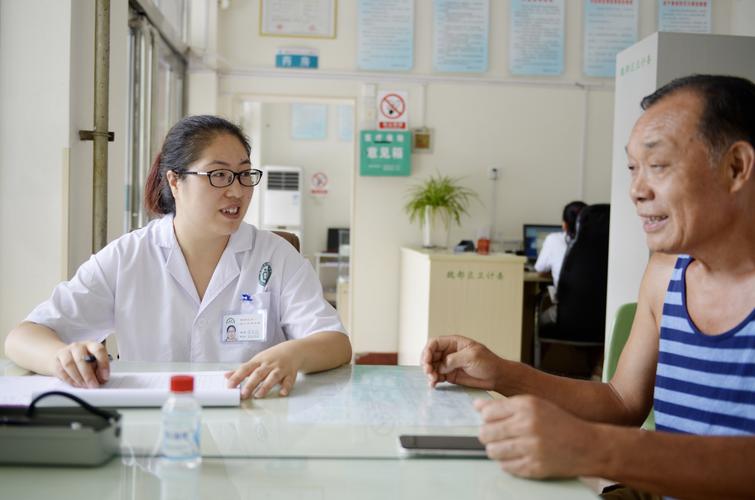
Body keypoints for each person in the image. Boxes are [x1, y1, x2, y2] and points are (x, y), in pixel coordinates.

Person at [421, 74, 755, 499]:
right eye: (633, 169)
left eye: (658, 165)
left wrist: (594, 448)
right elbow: (621, 402)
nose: (636, 190)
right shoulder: (666, 273)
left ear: (736, 167)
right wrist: (503, 373)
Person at [5, 115, 352, 400]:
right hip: (153, 424)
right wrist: (60, 358)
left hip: (252, 421)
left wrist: (293, 353)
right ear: (175, 181)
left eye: (244, 174)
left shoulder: (275, 256)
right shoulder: (129, 256)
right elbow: (22, 338)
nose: (237, 190)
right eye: (218, 175)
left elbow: (335, 343)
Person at [533, 200, 586, 289]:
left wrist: (557, 271)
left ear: (564, 225)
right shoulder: (602, 242)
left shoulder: (553, 239)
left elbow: (540, 270)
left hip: (566, 301)